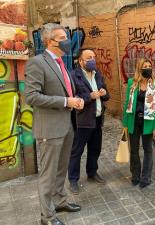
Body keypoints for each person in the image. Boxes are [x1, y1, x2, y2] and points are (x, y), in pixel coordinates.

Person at [25, 23, 83, 225]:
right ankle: (47, 216)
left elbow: (64, 91)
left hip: (66, 125)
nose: (67, 41)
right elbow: (31, 97)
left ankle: (59, 201)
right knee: (48, 173)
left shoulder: (61, 62)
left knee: (61, 168)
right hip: (49, 128)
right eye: (63, 38)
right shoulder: (37, 63)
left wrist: (74, 99)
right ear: (50, 41)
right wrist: (66, 102)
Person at [68, 48, 110, 194]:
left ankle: (92, 173)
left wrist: (104, 93)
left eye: (93, 57)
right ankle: (73, 179)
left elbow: (106, 93)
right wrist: (89, 97)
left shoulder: (97, 73)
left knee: (95, 148)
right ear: (80, 61)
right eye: (88, 58)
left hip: (98, 119)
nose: (92, 60)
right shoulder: (73, 76)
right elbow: (72, 98)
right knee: (77, 151)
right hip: (83, 121)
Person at [123, 58, 155, 188]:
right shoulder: (132, 83)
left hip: (149, 122)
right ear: (139, 69)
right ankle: (135, 174)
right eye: (145, 66)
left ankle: (146, 177)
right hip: (133, 121)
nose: (147, 68)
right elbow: (126, 104)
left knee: (148, 150)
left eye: (149, 66)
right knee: (134, 150)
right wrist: (125, 124)